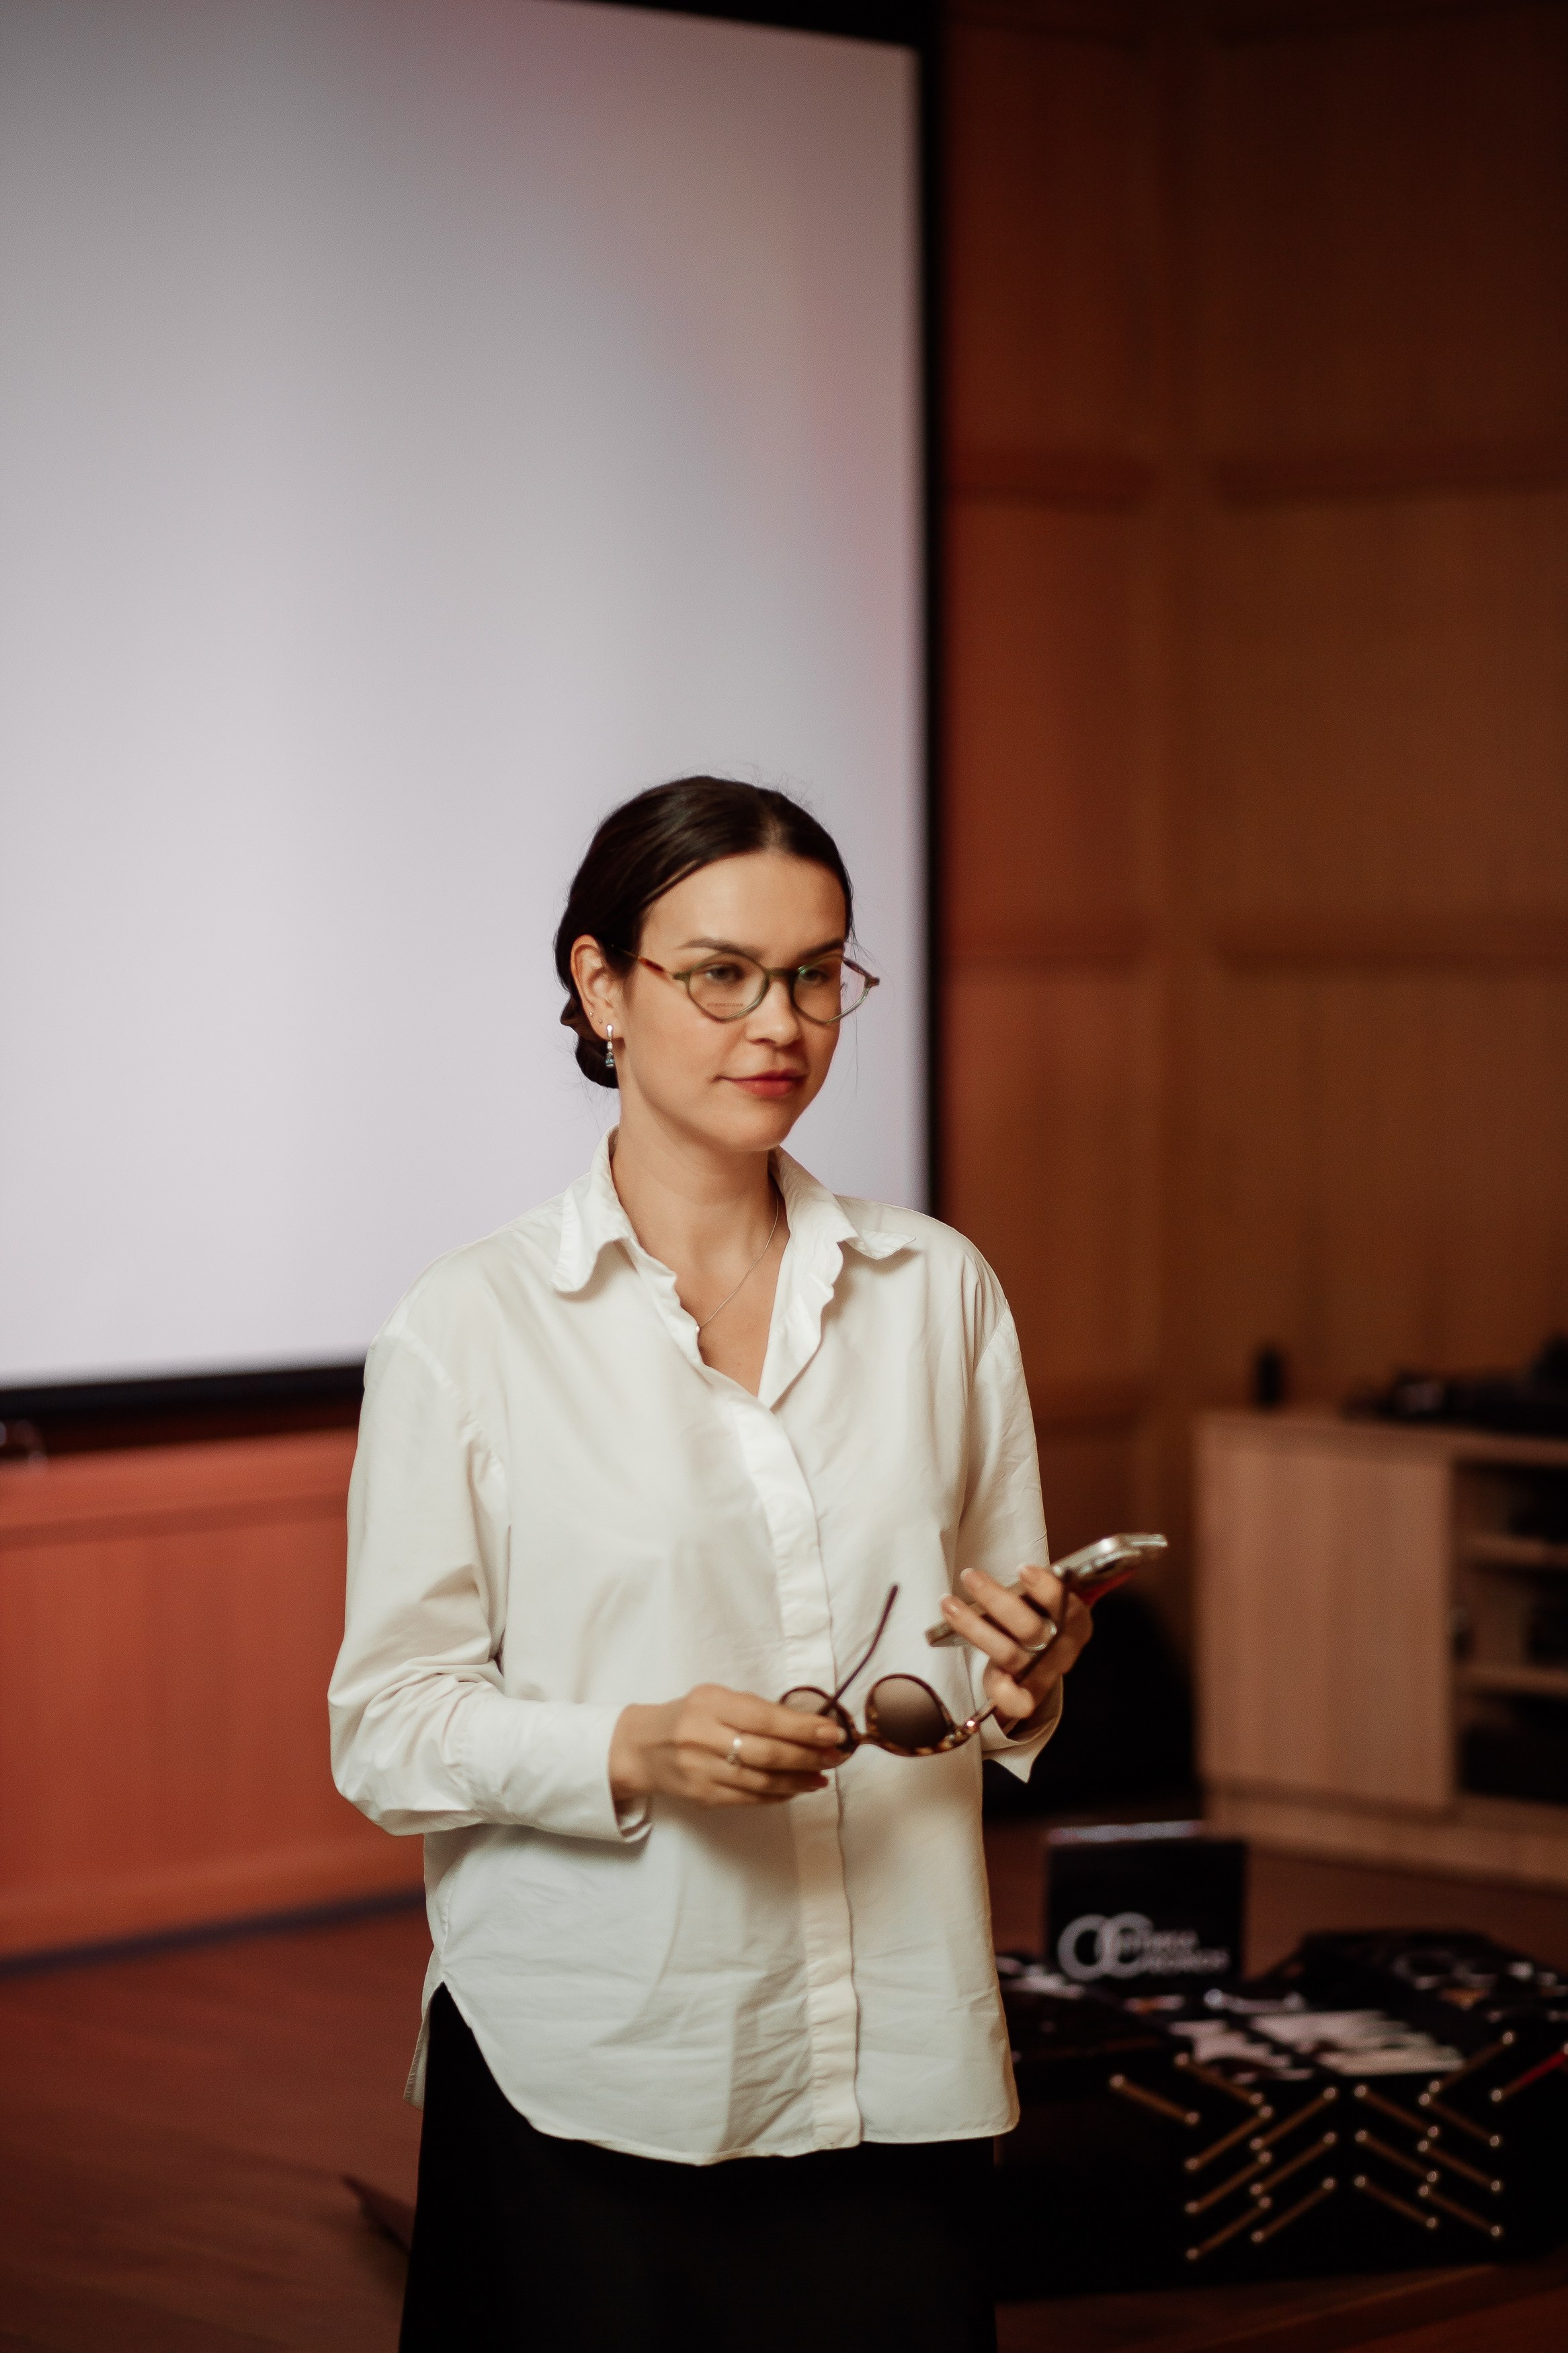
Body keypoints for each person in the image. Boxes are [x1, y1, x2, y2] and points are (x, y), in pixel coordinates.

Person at [329, 776, 1092, 2353]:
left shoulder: (937, 1290)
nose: (783, 1022)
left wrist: (1022, 1670)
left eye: (819, 972)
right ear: (601, 987)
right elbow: (388, 1727)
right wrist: (631, 1744)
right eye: (723, 972)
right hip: (595, 2056)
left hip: (892, 2049)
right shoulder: (466, 1328)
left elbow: (977, 1665)